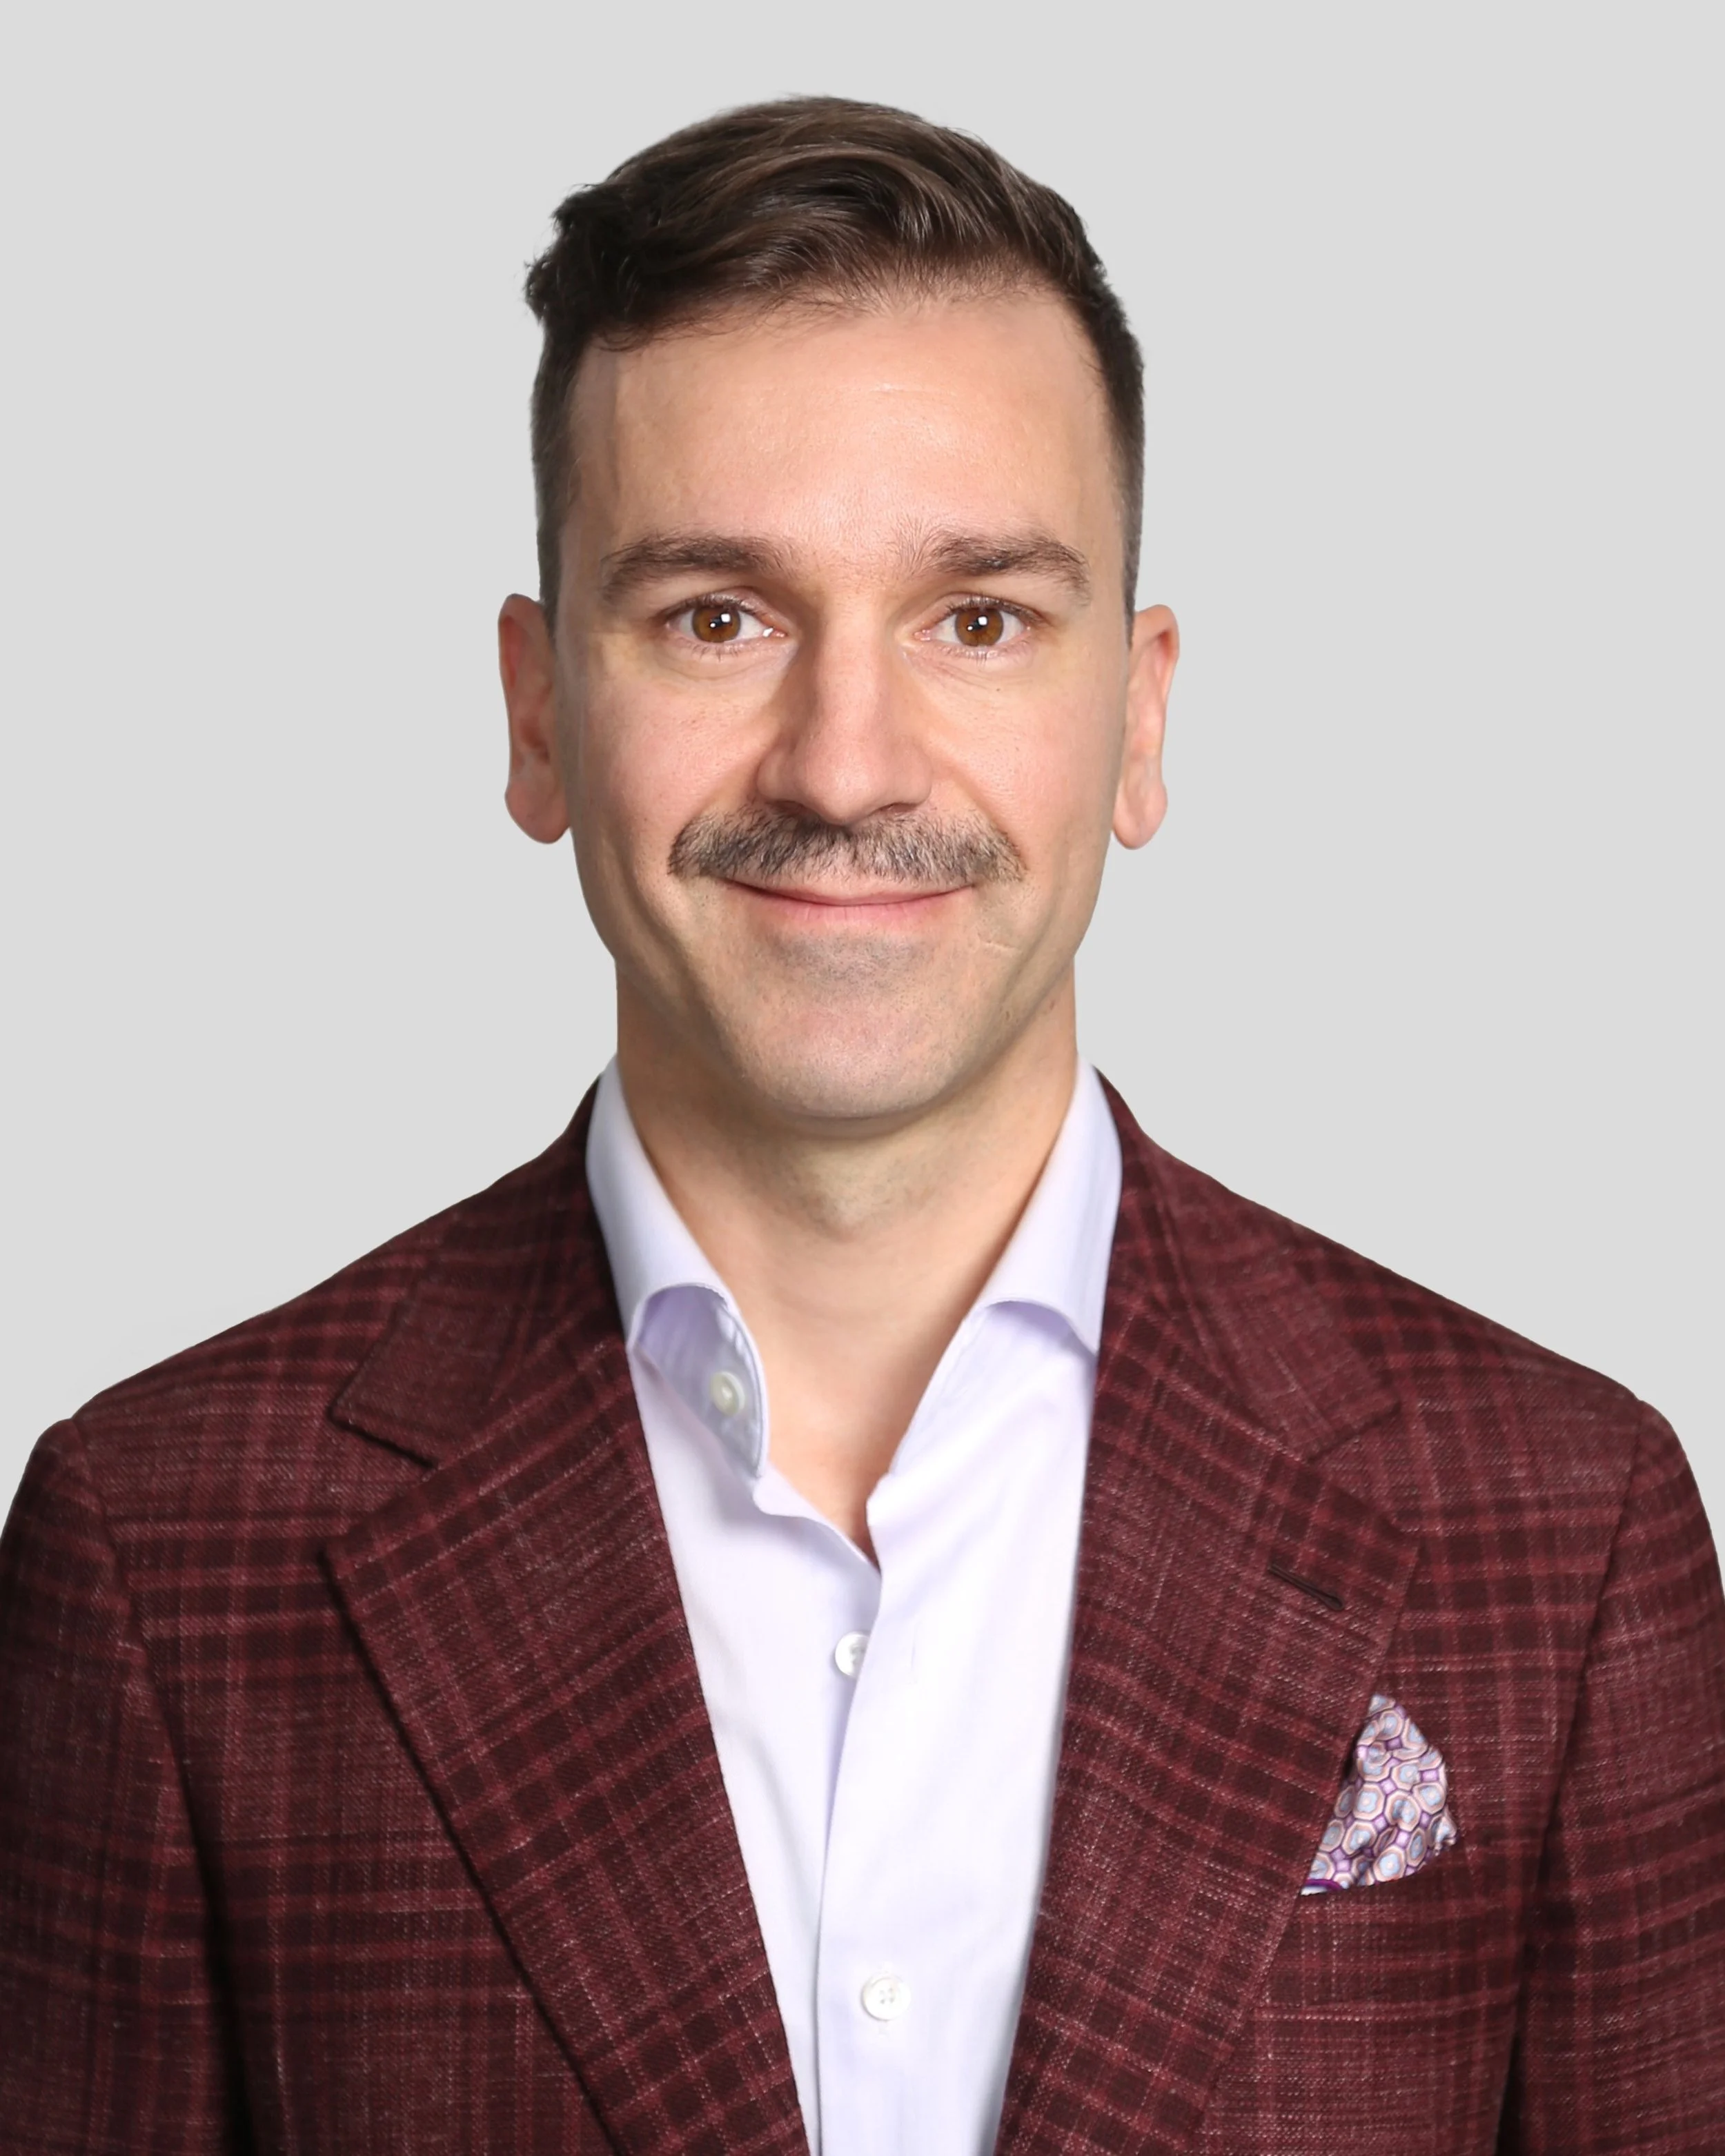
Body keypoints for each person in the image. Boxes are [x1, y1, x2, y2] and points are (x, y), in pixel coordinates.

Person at [1, 94, 1720, 2156]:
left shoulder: (1561, 1527)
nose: (844, 759)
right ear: (540, 715)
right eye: (716, 615)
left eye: (976, 616)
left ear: (1140, 714)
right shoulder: (160, 1547)